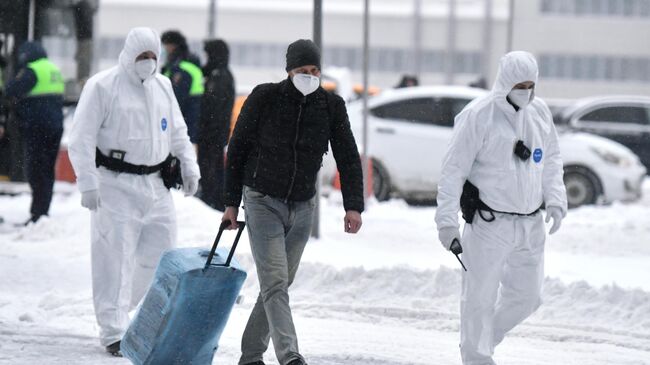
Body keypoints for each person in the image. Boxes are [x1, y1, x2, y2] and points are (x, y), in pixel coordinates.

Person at [222, 39, 365, 365]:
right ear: (289, 71)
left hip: (303, 206)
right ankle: (290, 356)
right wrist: (231, 203)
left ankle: (250, 355)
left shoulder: (330, 106)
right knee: (275, 281)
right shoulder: (265, 97)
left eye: (315, 71)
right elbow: (237, 149)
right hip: (262, 200)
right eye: (303, 71)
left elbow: (348, 156)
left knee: (280, 283)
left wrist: (353, 205)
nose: (310, 76)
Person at [68, 27, 200, 356]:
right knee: (114, 257)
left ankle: (130, 312)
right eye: (143, 56)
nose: (149, 62)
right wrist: (88, 182)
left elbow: (179, 131)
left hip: (156, 185)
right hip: (114, 184)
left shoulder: (163, 86)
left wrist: (189, 165)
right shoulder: (102, 86)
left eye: (154, 56)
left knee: (162, 257)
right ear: (129, 55)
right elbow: (81, 137)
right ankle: (113, 330)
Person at [435, 51, 567, 365]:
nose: (527, 91)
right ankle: (477, 357)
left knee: (528, 297)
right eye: (520, 84)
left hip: (530, 223)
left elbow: (551, 160)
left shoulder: (539, 112)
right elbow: (453, 170)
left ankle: (483, 340)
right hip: (488, 224)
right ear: (505, 81)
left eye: (531, 84)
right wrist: (446, 223)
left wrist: (557, 199)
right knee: (479, 298)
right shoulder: (478, 115)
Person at [5, 41, 64, 225]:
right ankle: (42, 212)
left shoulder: (32, 70)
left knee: (35, 171)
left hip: (38, 128)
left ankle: (37, 214)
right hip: (55, 127)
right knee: (47, 171)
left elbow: (10, 89)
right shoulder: (54, 69)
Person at [198, 39, 235, 211]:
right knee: (213, 167)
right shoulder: (219, 74)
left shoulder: (219, 76)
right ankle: (213, 200)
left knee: (211, 169)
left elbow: (213, 105)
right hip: (214, 132)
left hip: (212, 133)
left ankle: (212, 202)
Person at [160, 30, 204, 148]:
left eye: (165, 46)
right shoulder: (186, 63)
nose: (164, 49)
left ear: (172, 45)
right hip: (188, 122)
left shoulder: (181, 68)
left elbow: (177, 99)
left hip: (182, 124)